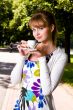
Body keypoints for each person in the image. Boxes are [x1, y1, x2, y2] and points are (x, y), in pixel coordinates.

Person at [11, 10, 67, 110]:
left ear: (51, 28)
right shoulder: (31, 49)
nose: (36, 33)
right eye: (34, 29)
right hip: (22, 106)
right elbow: (14, 81)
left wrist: (41, 58)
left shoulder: (60, 56)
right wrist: (22, 56)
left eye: (41, 28)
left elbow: (46, 91)